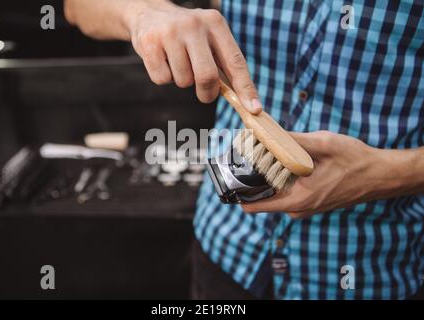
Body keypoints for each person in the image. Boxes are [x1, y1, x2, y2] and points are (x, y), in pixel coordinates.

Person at [64, 0, 424, 299]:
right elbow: (78, 7)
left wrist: (388, 173)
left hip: (372, 270)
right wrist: (142, 13)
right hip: (226, 253)